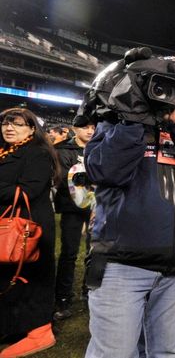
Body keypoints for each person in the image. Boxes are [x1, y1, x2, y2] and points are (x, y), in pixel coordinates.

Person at [82, 52, 175, 358]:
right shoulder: (114, 123)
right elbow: (105, 170)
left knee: (168, 353)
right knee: (115, 354)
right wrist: (134, 119)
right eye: (159, 86)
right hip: (122, 266)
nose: (166, 94)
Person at [0, 108, 60, 358]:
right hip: (8, 226)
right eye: (5, 123)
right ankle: (12, 328)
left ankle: (40, 331)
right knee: (8, 277)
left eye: (17, 123)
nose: (8, 127)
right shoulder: (6, 151)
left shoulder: (39, 152)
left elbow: (28, 191)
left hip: (30, 227)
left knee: (33, 277)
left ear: (32, 128)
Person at [53, 114, 96, 321]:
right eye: (85, 127)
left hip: (96, 208)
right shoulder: (64, 150)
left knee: (94, 251)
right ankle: (62, 297)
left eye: (92, 127)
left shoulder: (100, 146)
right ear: (75, 128)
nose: (89, 131)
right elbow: (63, 180)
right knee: (68, 253)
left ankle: (89, 292)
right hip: (72, 208)